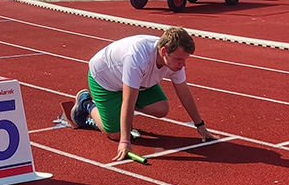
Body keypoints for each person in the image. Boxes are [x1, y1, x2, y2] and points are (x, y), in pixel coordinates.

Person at [70, 26, 214, 161]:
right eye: (179, 59)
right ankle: (86, 104)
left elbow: (184, 92)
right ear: (164, 52)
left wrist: (200, 126)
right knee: (116, 134)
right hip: (105, 81)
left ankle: (113, 109)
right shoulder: (137, 58)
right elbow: (128, 101)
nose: (183, 65)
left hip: (140, 81)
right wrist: (125, 141)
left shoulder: (174, 61)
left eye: (185, 60)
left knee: (161, 108)